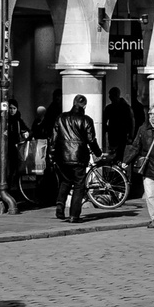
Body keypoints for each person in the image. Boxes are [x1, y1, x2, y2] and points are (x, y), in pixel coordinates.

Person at [51, 94, 100, 223]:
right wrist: (98, 152)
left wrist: (52, 154)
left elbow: (54, 139)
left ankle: (60, 206)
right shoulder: (86, 120)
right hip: (79, 156)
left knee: (65, 181)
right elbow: (91, 140)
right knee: (79, 185)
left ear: (73, 103)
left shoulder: (61, 118)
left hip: (63, 156)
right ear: (84, 106)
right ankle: (74, 214)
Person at [103, 87, 134, 158]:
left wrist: (130, 136)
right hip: (117, 135)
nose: (110, 97)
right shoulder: (124, 107)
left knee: (118, 155)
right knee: (116, 155)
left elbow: (131, 122)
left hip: (120, 135)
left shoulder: (124, 107)